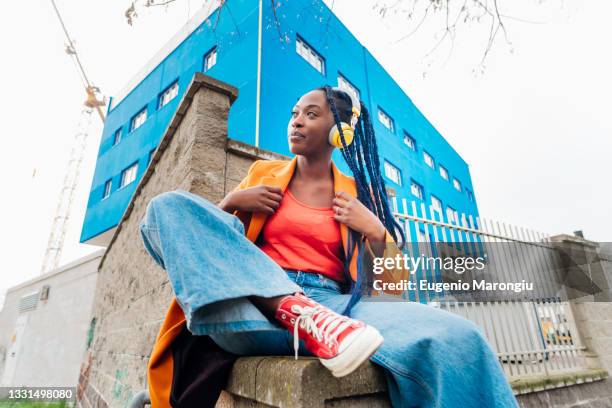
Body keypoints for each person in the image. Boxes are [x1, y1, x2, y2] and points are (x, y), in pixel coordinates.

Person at [141, 86, 519, 407]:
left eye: (311, 114)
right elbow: (211, 248)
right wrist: (231, 205)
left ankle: (309, 315)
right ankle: (290, 306)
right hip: (249, 305)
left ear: (339, 133)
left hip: (334, 311)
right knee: (165, 207)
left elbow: (392, 289)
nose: (297, 121)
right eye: (294, 114)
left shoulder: (360, 196)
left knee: (461, 338)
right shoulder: (262, 176)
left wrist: (374, 231)